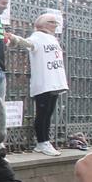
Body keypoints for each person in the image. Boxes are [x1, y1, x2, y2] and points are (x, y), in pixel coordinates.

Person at [23, 11, 67, 155]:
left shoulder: (52, 39)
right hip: (44, 82)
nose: (55, 25)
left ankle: (45, 141)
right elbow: (28, 44)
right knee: (42, 113)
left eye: (56, 22)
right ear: (43, 24)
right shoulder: (36, 38)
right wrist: (15, 39)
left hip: (54, 81)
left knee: (48, 113)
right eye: (52, 22)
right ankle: (42, 142)